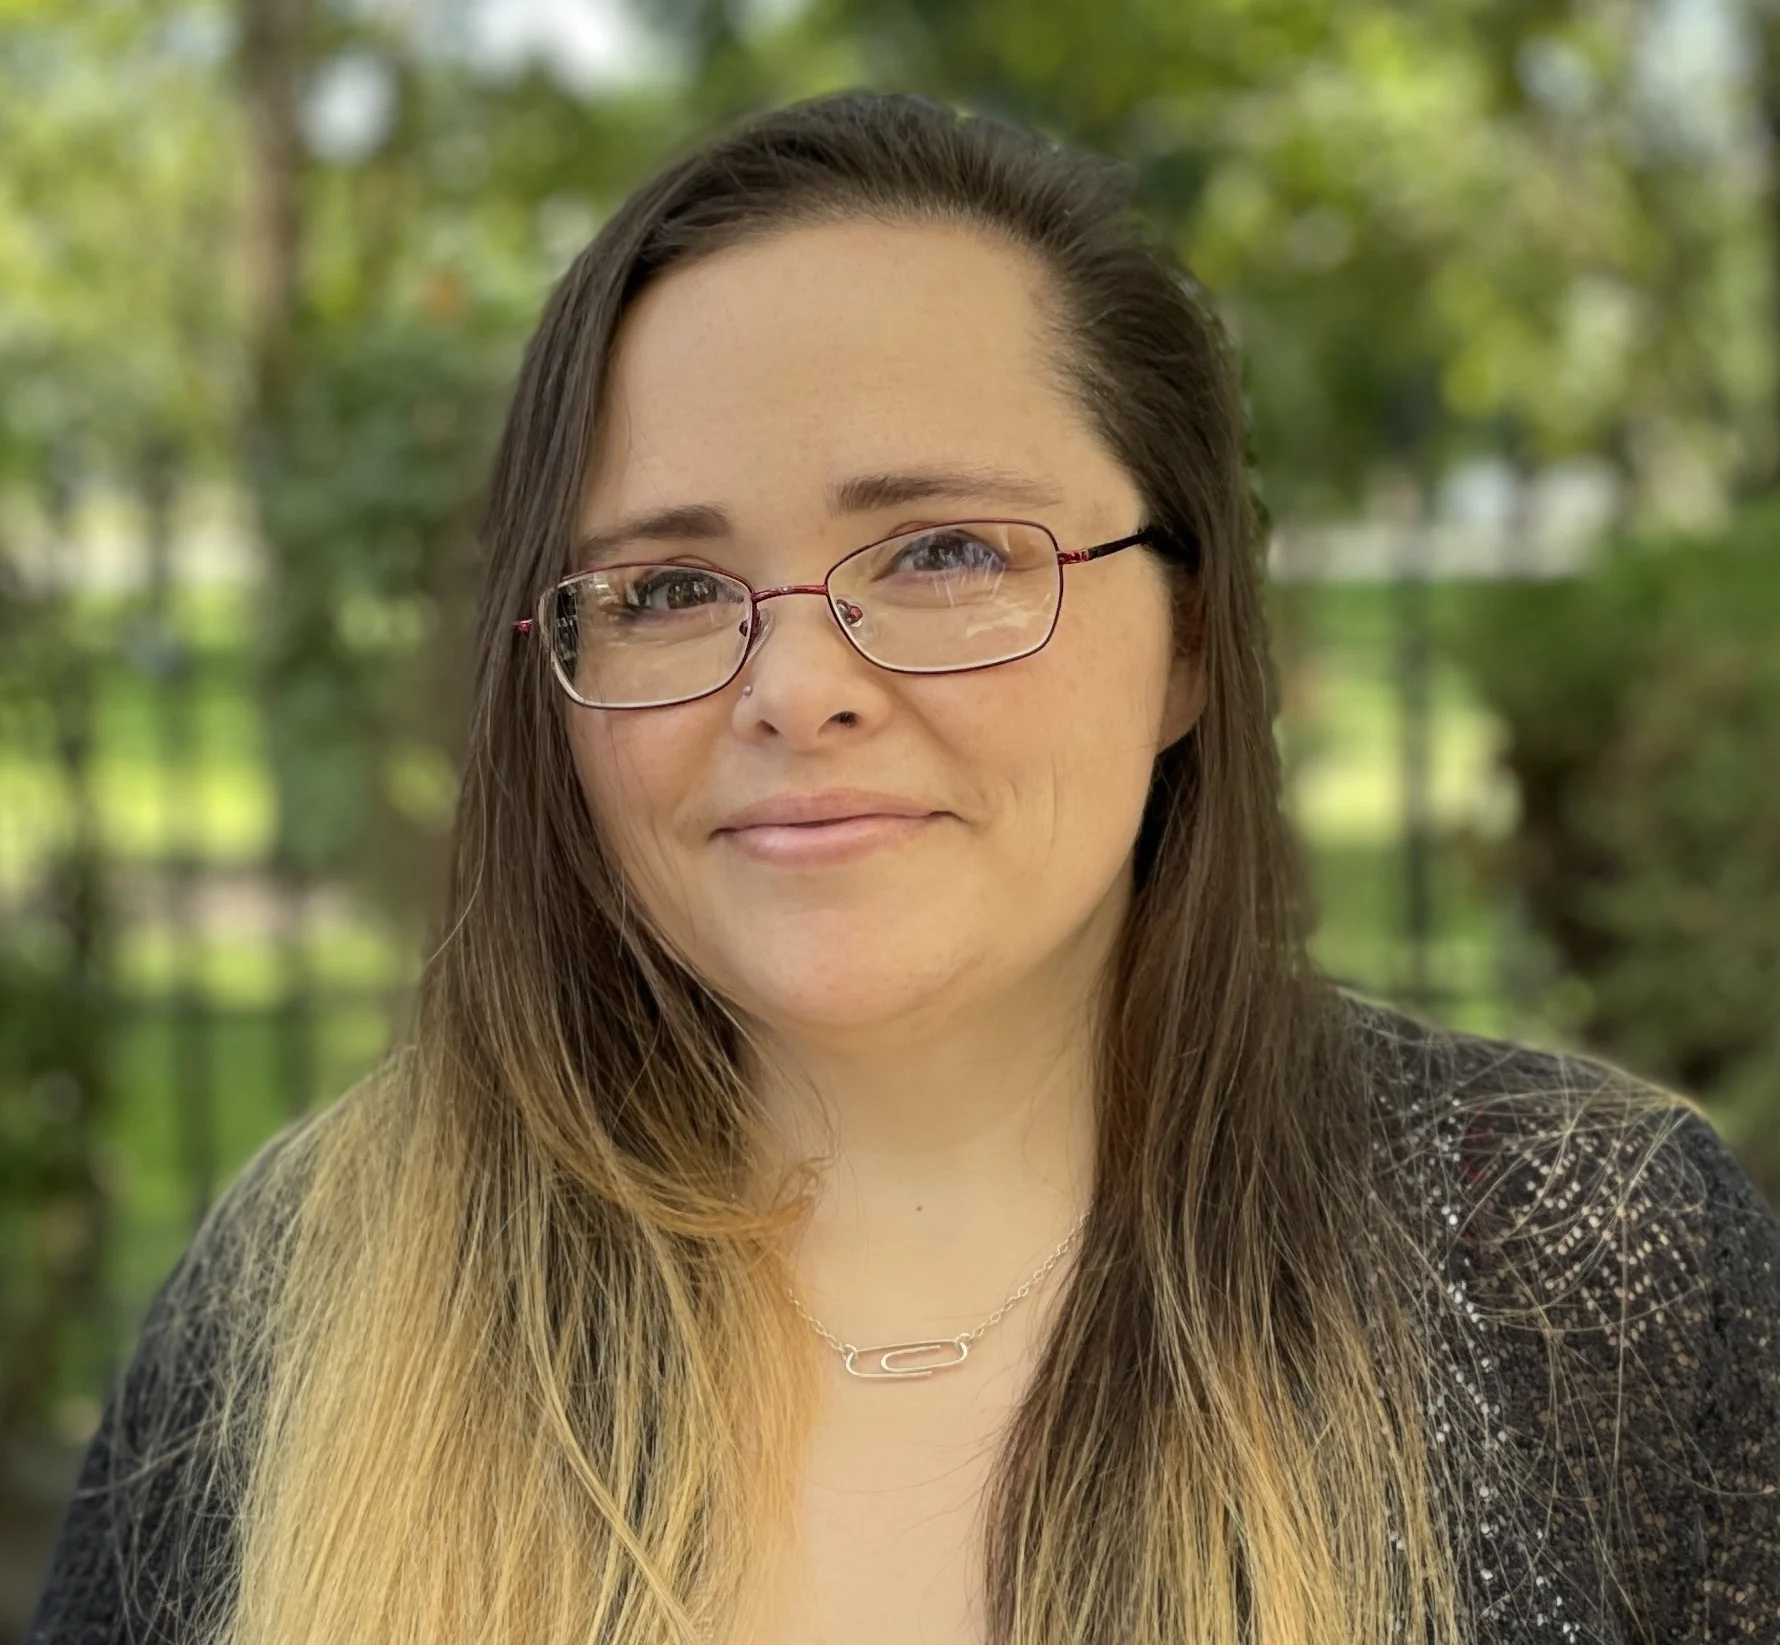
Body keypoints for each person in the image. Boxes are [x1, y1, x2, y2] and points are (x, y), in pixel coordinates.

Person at [27, 89, 1780, 1645]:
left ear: (1188, 643)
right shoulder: (306, 1298)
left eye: (943, 550)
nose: (796, 689)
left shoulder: (1577, 1272)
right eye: (667, 589)